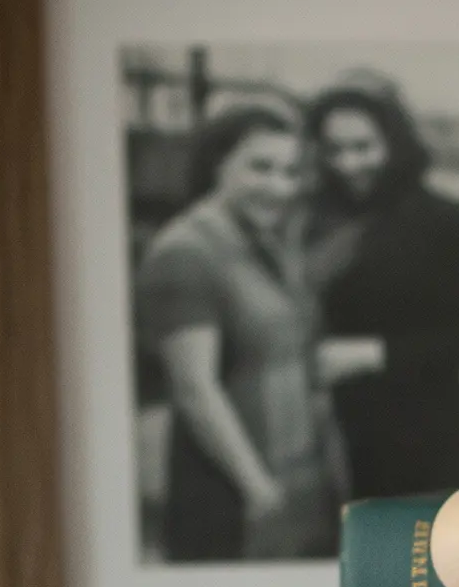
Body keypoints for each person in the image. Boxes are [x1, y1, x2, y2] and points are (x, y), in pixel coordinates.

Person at [135, 99, 343, 561]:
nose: (280, 187)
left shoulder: (263, 241)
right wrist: (259, 490)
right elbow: (195, 389)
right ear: (217, 165)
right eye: (261, 168)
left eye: (291, 172)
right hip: (231, 491)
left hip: (292, 476)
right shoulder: (185, 253)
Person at [304, 74, 459, 497]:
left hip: (423, 433)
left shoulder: (446, 221)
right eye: (333, 150)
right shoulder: (308, 221)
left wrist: (375, 353)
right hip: (332, 435)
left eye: (363, 147)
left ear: (395, 144)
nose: (347, 164)